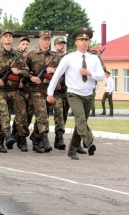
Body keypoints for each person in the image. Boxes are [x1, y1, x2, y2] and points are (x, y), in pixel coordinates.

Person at [47, 27, 105, 160]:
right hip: (74, 93)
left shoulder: (94, 59)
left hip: (89, 94)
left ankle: (72, 150)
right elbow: (56, 75)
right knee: (80, 119)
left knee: (81, 122)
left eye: (86, 40)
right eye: (81, 40)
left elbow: (101, 76)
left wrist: (90, 73)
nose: (84, 42)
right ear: (76, 43)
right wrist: (50, 93)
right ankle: (89, 141)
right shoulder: (69, 58)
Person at [0, 29, 29, 153]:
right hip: (1, 90)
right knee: (3, 114)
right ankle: (3, 139)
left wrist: (19, 72)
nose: (8, 38)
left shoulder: (18, 55)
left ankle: (21, 137)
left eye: (10, 36)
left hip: (15, 90)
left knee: (22, 114)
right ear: (1, 40)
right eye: (5, 36)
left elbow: (26, 71)